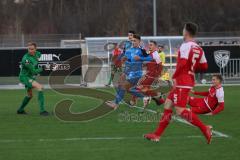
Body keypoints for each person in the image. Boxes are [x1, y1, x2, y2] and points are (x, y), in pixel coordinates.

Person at [144, 22, 212, 144]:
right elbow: (204, 66)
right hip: (187, 80)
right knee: (168, 106)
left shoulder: (185, 46)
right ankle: (157, 135)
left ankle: (204, 128)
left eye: (183, 29)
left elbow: (182, 64)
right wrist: (191, 70)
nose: (182, 31)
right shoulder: (198, 48)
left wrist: (175, 77)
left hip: (182, 81)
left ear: (186, 31)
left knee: (180, 111)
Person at [105, 34, 152, 109]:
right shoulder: (130, 50)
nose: (133, 42)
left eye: (135, 41)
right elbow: (128, 62)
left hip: (136, 74)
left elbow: (150, 58)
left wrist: (140, 58)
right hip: (129, 73)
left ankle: (116, 103)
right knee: (125, 87)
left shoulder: (142, 50)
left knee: (124, 86)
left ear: (139, 41)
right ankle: (145, 97)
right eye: (132, 41)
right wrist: (124, 72)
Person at [17, 42, 49, 116]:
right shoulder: (26, 59)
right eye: (29, 49)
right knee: (40, 87)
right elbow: (33, 71)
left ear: (35, 49)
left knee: (30, 95)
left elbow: (39, 56)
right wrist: (43, 68)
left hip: (30, 77)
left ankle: (20, 110)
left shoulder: (37, 54)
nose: (30, 50)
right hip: (24, 77)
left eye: (32, 49)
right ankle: (42, 111)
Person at [129, 40, 164, 106]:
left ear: (155, 46)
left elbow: (160, 65)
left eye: (151, 45)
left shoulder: (155, 54)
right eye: (149, 45)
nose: (149, 46)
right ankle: (159, 99)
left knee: (139, 87)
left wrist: (157, 76)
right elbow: (150, 63)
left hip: (151, 75)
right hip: (148, 74)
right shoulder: (151, 54)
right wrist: (144, 65)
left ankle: (133, 101)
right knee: (145, 89)